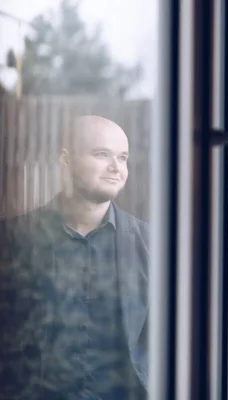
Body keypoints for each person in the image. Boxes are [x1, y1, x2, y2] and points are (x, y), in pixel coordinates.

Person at [0, 115, 148, 399]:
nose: (116, 167)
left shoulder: (153, 247)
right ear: (66, 160)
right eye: (102, 154)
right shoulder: (11, 240)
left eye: (123, 157)